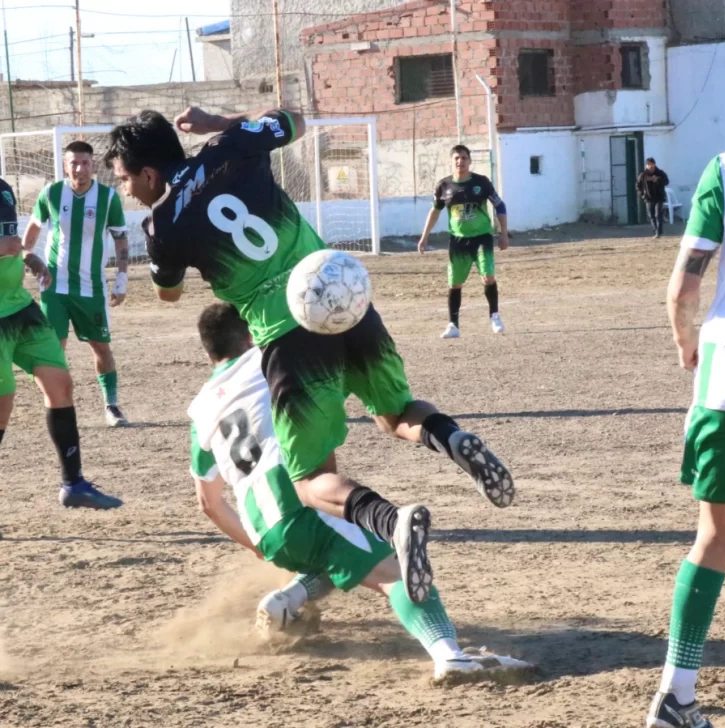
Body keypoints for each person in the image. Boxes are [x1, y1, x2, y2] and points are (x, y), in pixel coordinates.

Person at [103, 107, 515, 604]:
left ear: (149, 173)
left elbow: (167, 294)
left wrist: (164, 258)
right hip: (342, 293)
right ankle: (455, 438)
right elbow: (294, 120)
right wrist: (218, 123)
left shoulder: (161, 226)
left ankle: (392, 521)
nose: (126, 191)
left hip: (286, 332)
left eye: (125, 179)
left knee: (310, 480)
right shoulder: (229, 148)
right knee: (395, 413)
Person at [190, 302, 531, 682]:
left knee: (338, 550)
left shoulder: (200, 409)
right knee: (399, 570)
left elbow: (210, 503)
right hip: (297, 499)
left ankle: (290, 597)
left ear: (209, 352)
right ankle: (449, 655)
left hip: (261, 524)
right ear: (251, 334)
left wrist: (258, 546)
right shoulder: (268, 358)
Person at [645, 153, 725, 728]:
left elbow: (683, 288)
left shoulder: (724, 169)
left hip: (723, 379)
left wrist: (684, 343)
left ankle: (677, 692)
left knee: (716, 536)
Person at [0, 177, 122, 510]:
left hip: (19, 306)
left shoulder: (3, 187)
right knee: (2, 403)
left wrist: (28, 257)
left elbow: (12, 241)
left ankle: (74, 484)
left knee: (60, 385)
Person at [22, 141, 130, 427]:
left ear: (93, 165)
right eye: (74, 163)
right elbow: (31, 234)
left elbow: (121, 240)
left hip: (91, 288)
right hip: (54, 287)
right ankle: (58, 408)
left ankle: (112, 405)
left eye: (85, 163)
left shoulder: (108, 198)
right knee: (53, 350)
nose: (79, 169)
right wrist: (28, 257)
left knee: (101, 348)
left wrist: (121, 278)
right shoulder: (51, 194)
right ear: (65, 166)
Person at [417, 145, 509, 338]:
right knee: (454, 283)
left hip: (482, 238)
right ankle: (453, 325)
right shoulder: (444, 186)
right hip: (458, 241)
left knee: (488, 276)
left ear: (470, 161)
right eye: (457, 158)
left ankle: (494, 316)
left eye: (464, 158)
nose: (460, 162)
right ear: (451, 162)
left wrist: (503, 233)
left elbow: (500, 205)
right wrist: (425, 236)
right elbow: (435, 211)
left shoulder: (481, 182)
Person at [636, 157, 670, 239]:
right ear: (646, 166)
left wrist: (658, 180)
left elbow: (666, 182)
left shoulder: (660, 173)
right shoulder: (643, 175)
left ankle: (659, 232)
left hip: (659, 197)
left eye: (651, 164)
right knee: (651, 216)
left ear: (654, 164)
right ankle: (655, 231)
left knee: (658, 214)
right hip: (648, 198)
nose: (650, 166)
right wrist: (642, 195)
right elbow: (637, 186)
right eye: (648, 164)